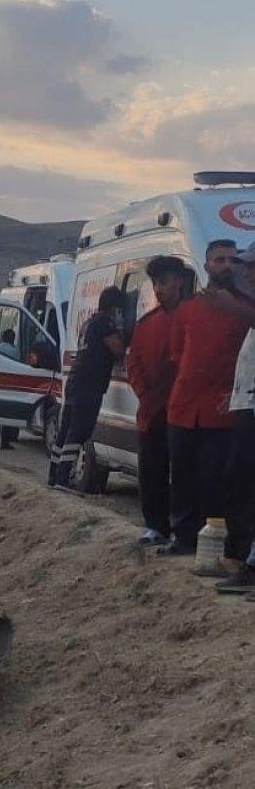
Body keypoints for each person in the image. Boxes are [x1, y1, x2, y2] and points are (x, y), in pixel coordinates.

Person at [159, 238, 255, 556]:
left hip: (225, 410)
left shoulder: (245, 309)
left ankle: (214, 545)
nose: (226, 265)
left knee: (215, 480)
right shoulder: (188, 309)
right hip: (184, 407)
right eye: (219, 260)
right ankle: (183, 537)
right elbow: (177, 353)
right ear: (206, 265)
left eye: (231, 260)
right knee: (181, 474)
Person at [126, 255, 187, 544]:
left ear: (179, 281)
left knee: (185, 474)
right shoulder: (146, 324)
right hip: (152, 411)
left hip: (184, 410)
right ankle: (155, 526)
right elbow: (134, 363)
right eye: (155, 283)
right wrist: (144, 394)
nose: (159, 289)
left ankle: (183, 529)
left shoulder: (192, 317)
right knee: (152, 471)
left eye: (163, 282)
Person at [48, 286, 125, 489]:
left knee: (65, 431)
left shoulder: (89, 322)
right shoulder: (105, 322)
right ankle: (64, 478)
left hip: (76, 381)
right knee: (78, 431)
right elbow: (118, 349)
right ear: (114, 308)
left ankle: (54, 475)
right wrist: (123, 332)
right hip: (89, 385)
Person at [216, 242, 255, 592]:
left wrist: (234, 309)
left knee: (244, 483)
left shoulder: (246, 308)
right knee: (238, 481)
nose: (247, 272)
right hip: (246, 404)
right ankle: (244, 560)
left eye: (252, 266)